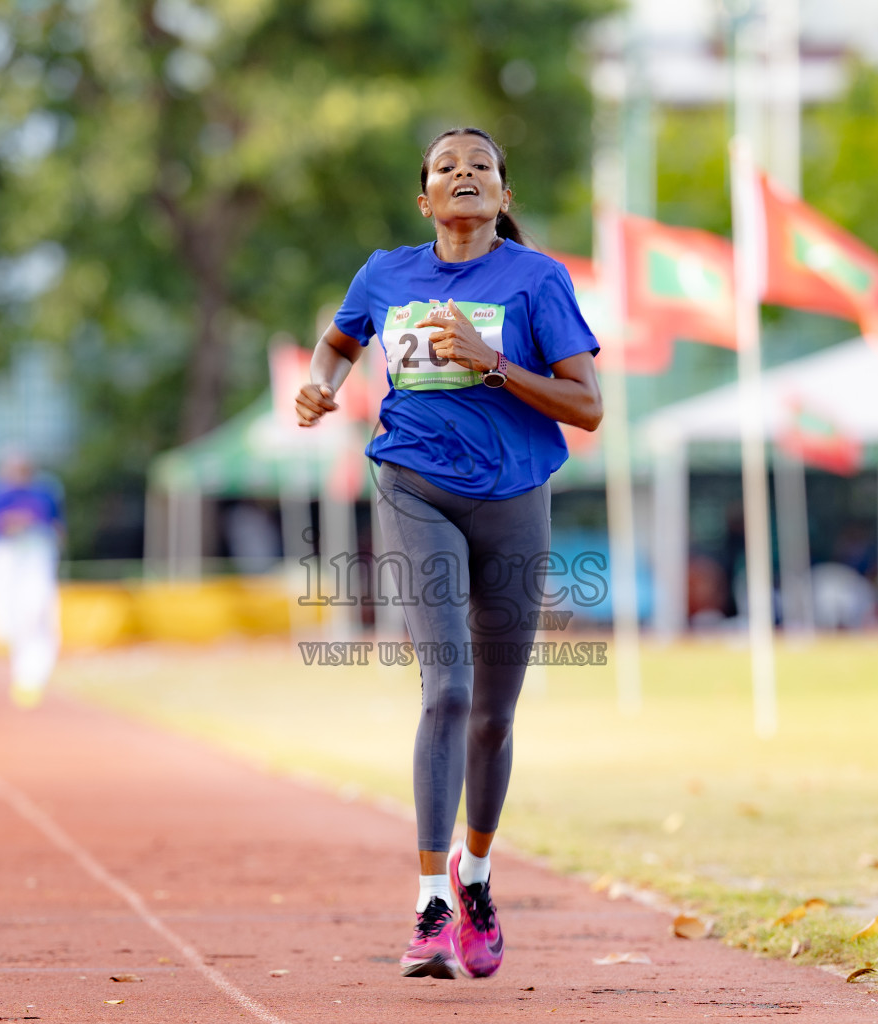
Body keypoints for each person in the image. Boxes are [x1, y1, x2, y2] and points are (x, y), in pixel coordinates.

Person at [295, 127, 602, 980]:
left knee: (497, 714)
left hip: (514, 496)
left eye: (482, 167)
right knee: (449, 690)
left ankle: (475, 876)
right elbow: (341, 340)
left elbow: (587, 406)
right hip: (413, 484)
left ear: (504, 198)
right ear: (424, 200)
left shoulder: (536, 280)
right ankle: (430, 905)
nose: (463, 173)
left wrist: (492, 362)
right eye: (445, 167)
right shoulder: (384, 273)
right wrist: (324, 382)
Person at [0, 450, 63, 710]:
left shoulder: (46, 491)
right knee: (5, 624)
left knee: (36, 615)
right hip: (7, 559)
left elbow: (56, 526)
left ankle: (31, 677)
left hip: (36, 557)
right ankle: (22, 667)